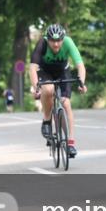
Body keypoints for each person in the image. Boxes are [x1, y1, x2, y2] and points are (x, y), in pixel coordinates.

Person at [30, 24, 87, 157]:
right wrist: (36, 86)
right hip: (45, 72)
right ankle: (46, 119)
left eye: (58, 40)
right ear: (47, 39)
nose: (56, 44)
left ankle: (71, 144)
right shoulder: (41, 44)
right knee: (48, 90)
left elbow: (80, 65)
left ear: (63, 38)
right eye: (52, 41)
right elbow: (32, 68)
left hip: (62, 71)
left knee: (66, 103)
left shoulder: (68, 42)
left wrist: (81, 82)